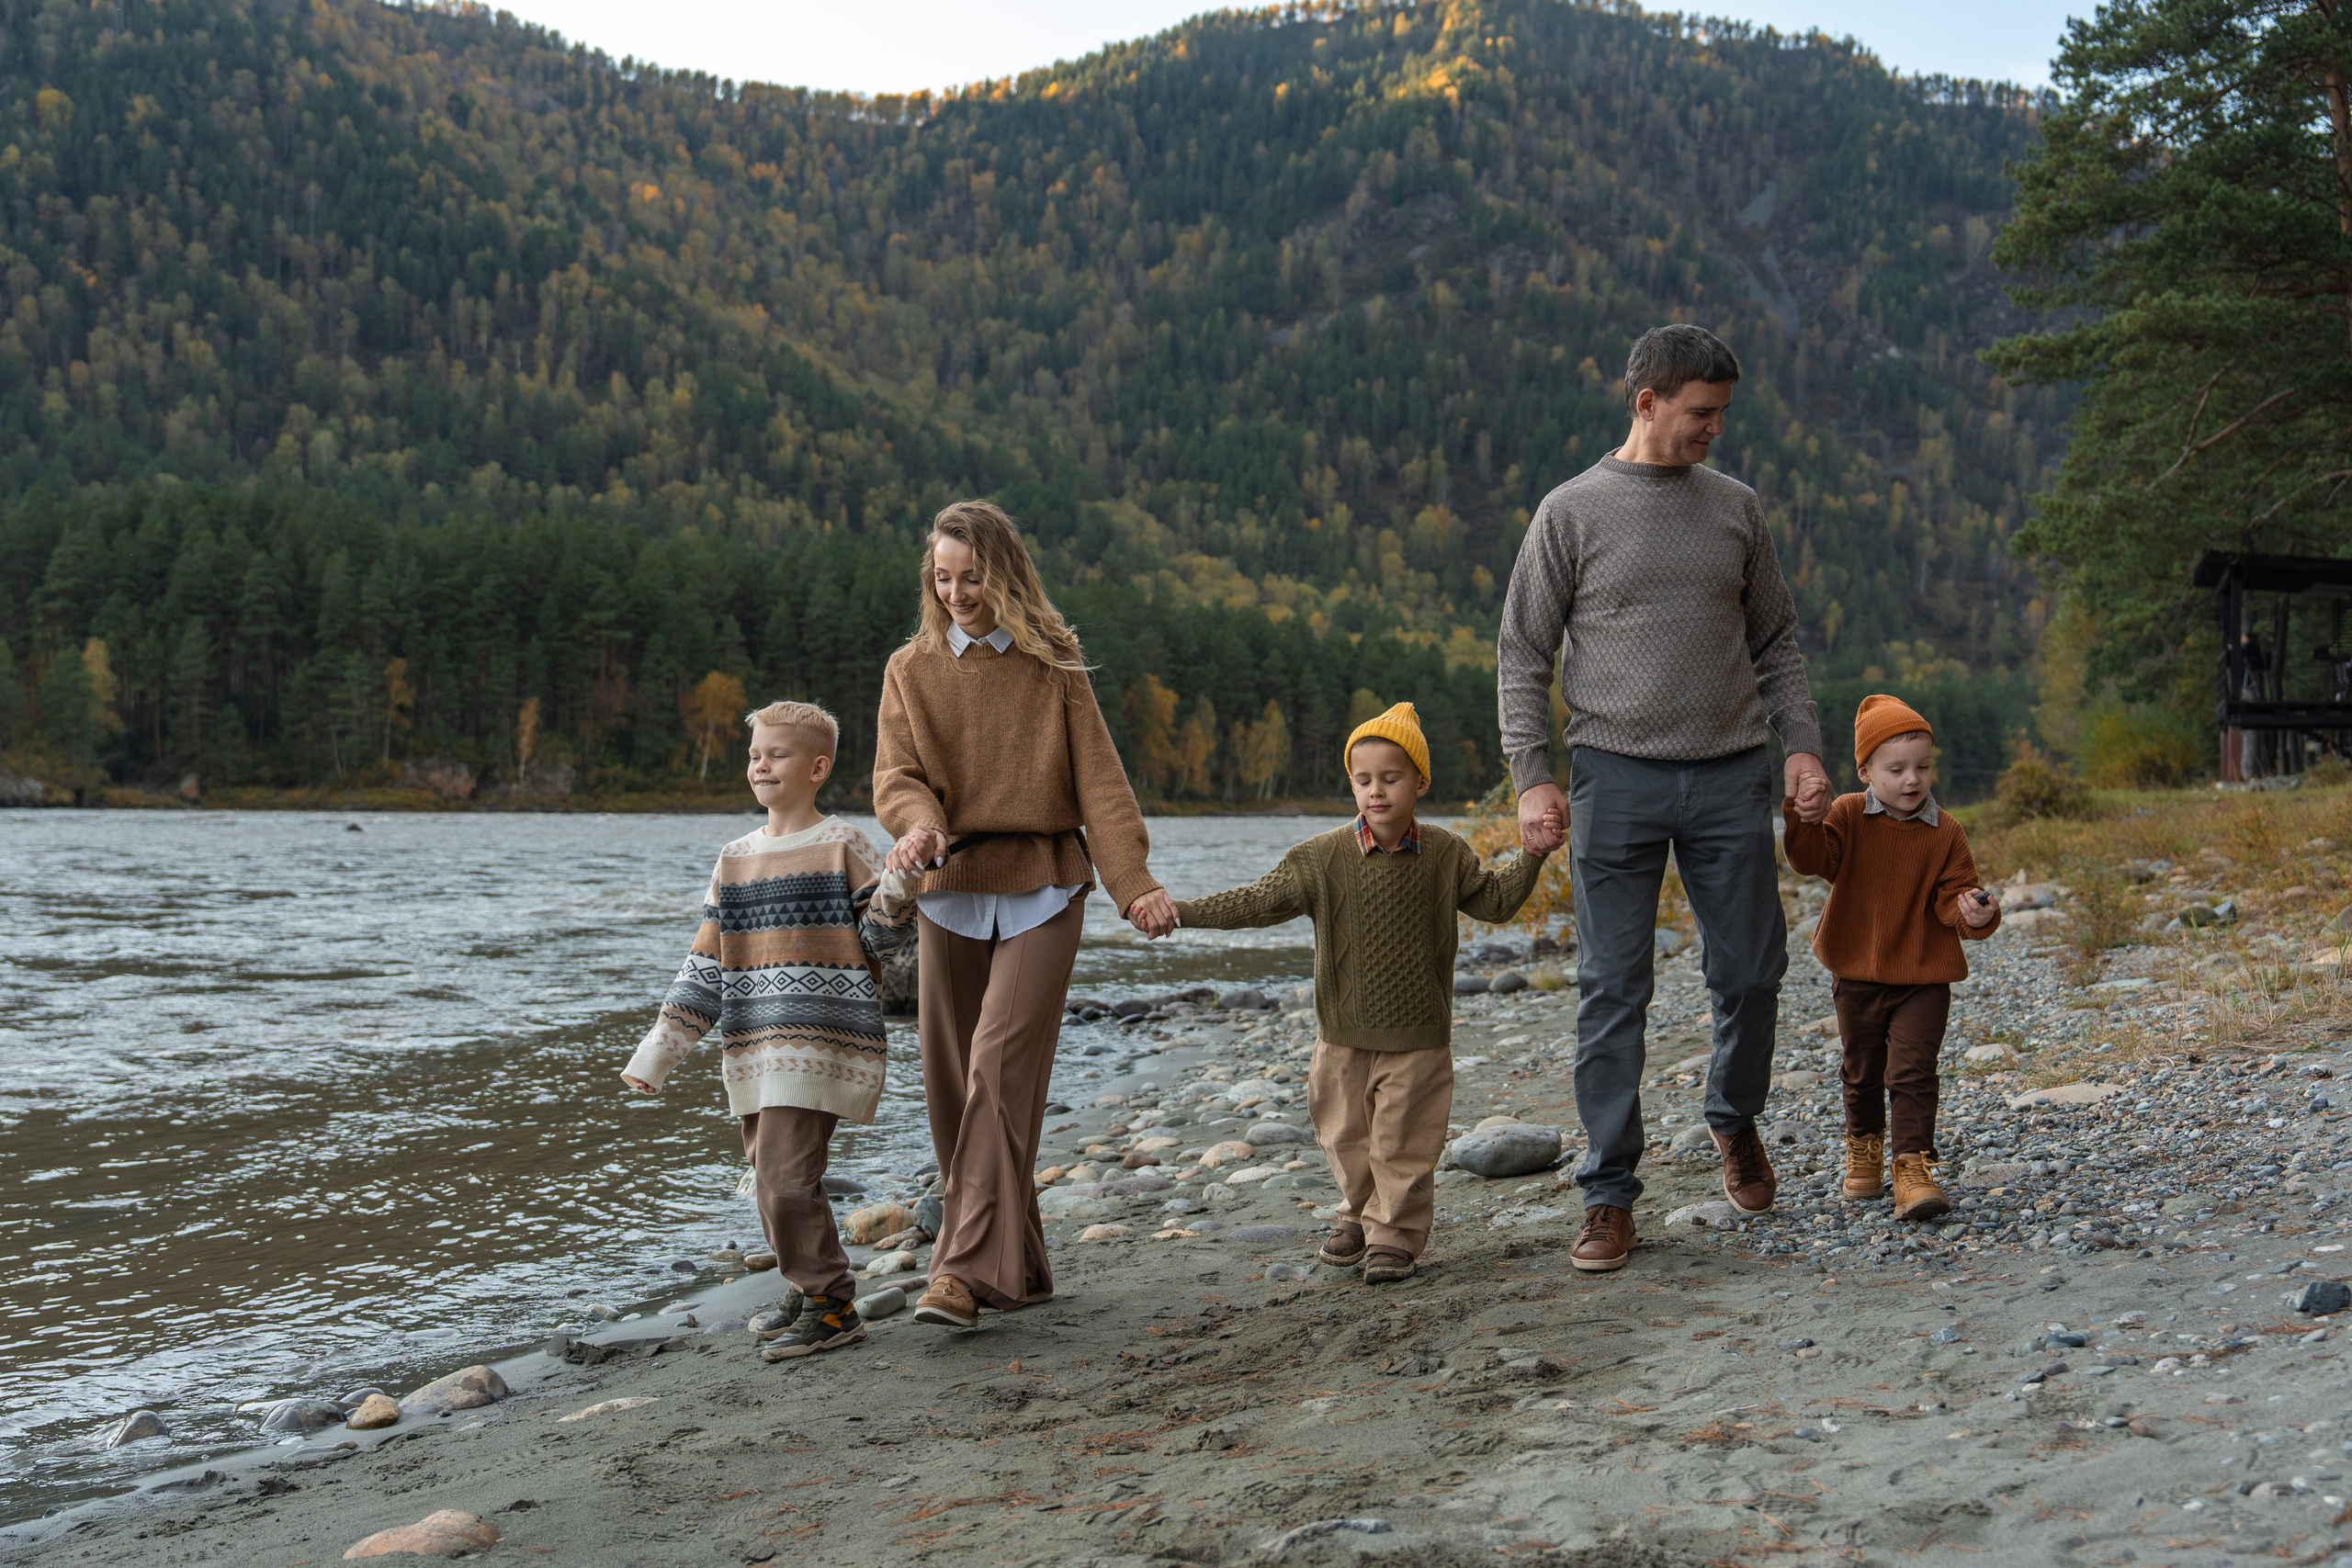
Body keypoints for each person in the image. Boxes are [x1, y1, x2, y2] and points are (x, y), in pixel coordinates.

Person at [1497, 322, 1832, 1275]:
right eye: (1700, 414)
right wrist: (1532, 776)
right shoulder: (1569, 512)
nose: (1715, 430)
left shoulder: (1736, 509)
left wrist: (1801, 749)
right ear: (1646, 404)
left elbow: (1775, 643)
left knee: (1752, 974)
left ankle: (1732, 1119)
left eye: (1722, 414)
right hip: (1613, 774)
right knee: (1612, 988)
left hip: (1732, 774)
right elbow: (1521, 652)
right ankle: (1607, 1193)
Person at [873, 500, 1177, 1328]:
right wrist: (917, 824)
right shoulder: (911, 668)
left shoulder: (1056, 664)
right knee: (949, 1091)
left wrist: (1134, 881)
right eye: (943, 578)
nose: (956, 593)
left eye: (971, 578)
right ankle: (1027, 1263)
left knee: (997, 1071)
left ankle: (960, 1272)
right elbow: (895, 777)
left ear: (1003, 575)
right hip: (950, 889)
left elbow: (1102, 787)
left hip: (1045, 883)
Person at [1171, 704, 1553, 1285]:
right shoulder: (1320, 858)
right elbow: (1256, 901)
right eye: (1363, 779)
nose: (1376, 791)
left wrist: (1532, 853)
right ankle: (1358, 1211)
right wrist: (1184, 912)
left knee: (1404, 1142)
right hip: (1342, 1033)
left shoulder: (1447, 853)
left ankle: (1393, 1235)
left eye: (1391, 778)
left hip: (1418, 1034)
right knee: (1345, 1135)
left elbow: (1495, 902)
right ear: (1351, 782)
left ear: (1420, 782)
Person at [620, 699, 915, 1360]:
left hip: (823, 1044)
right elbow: (704, 965)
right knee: (767, 1176)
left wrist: (902, 881)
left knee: (784, 1178)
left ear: (818, 767)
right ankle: (805, 1285)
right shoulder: (734, 858)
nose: (760, 764)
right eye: (754, 754)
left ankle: (834, 1303)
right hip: (754, 1047)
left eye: (776, 753)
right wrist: (660, 1051)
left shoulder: (843, 843)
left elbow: (882, 940)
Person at [1782, 695, 1998, 1220]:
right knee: (1861, 1070)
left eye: (1922, 767)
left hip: (1924, 973)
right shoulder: (1850, 815)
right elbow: (1812, 860)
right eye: (1896, 768)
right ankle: (1864, 1149)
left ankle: (1912, 1167)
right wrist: (1804, 816)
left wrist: (1975, 914)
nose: (1912, 780)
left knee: (1914, 1072)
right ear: (1865, 771)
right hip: (1857, 970)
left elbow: (1957, 896)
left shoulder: (1944, 831)